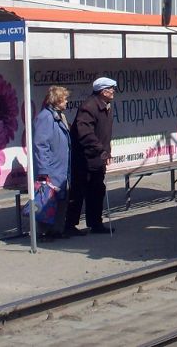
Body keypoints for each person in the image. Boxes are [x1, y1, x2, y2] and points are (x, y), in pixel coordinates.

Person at [63, 77, 116, 236]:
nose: (113, 91)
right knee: (78, 192)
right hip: (84, 159)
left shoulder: (106, 106)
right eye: (111, 88)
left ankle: (96, 223)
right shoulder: (89, 107)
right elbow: (85, 134)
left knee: (97, 190)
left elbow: (104, 133)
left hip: (97, 158)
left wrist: (105, 151)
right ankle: (70, 225)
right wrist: (101, 150)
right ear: (103, 91)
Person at [32, 85, 71, 240]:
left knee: (61, 199)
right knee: (48, 200)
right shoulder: (45, 118)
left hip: (60, 167)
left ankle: (57, 230)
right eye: (65, 98)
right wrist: (43, 171)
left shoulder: (59, 115)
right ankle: (45, 232)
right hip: (51, 169)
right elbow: (40, 145)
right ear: (57, 100)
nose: (67, 101)